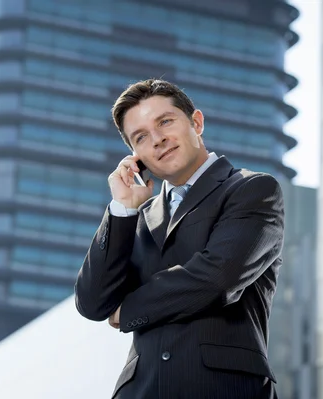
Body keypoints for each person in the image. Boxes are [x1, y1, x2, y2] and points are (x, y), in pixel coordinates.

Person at [74, 79, 284, 399]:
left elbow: (217, 278)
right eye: (141, 137)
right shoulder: (137, 220)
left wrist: (128, 309)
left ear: (196, 123)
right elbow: (92, 303)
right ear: (136, 154)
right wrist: (122, 209)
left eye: (165, 122)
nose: (157, 139)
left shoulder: (252, 190)